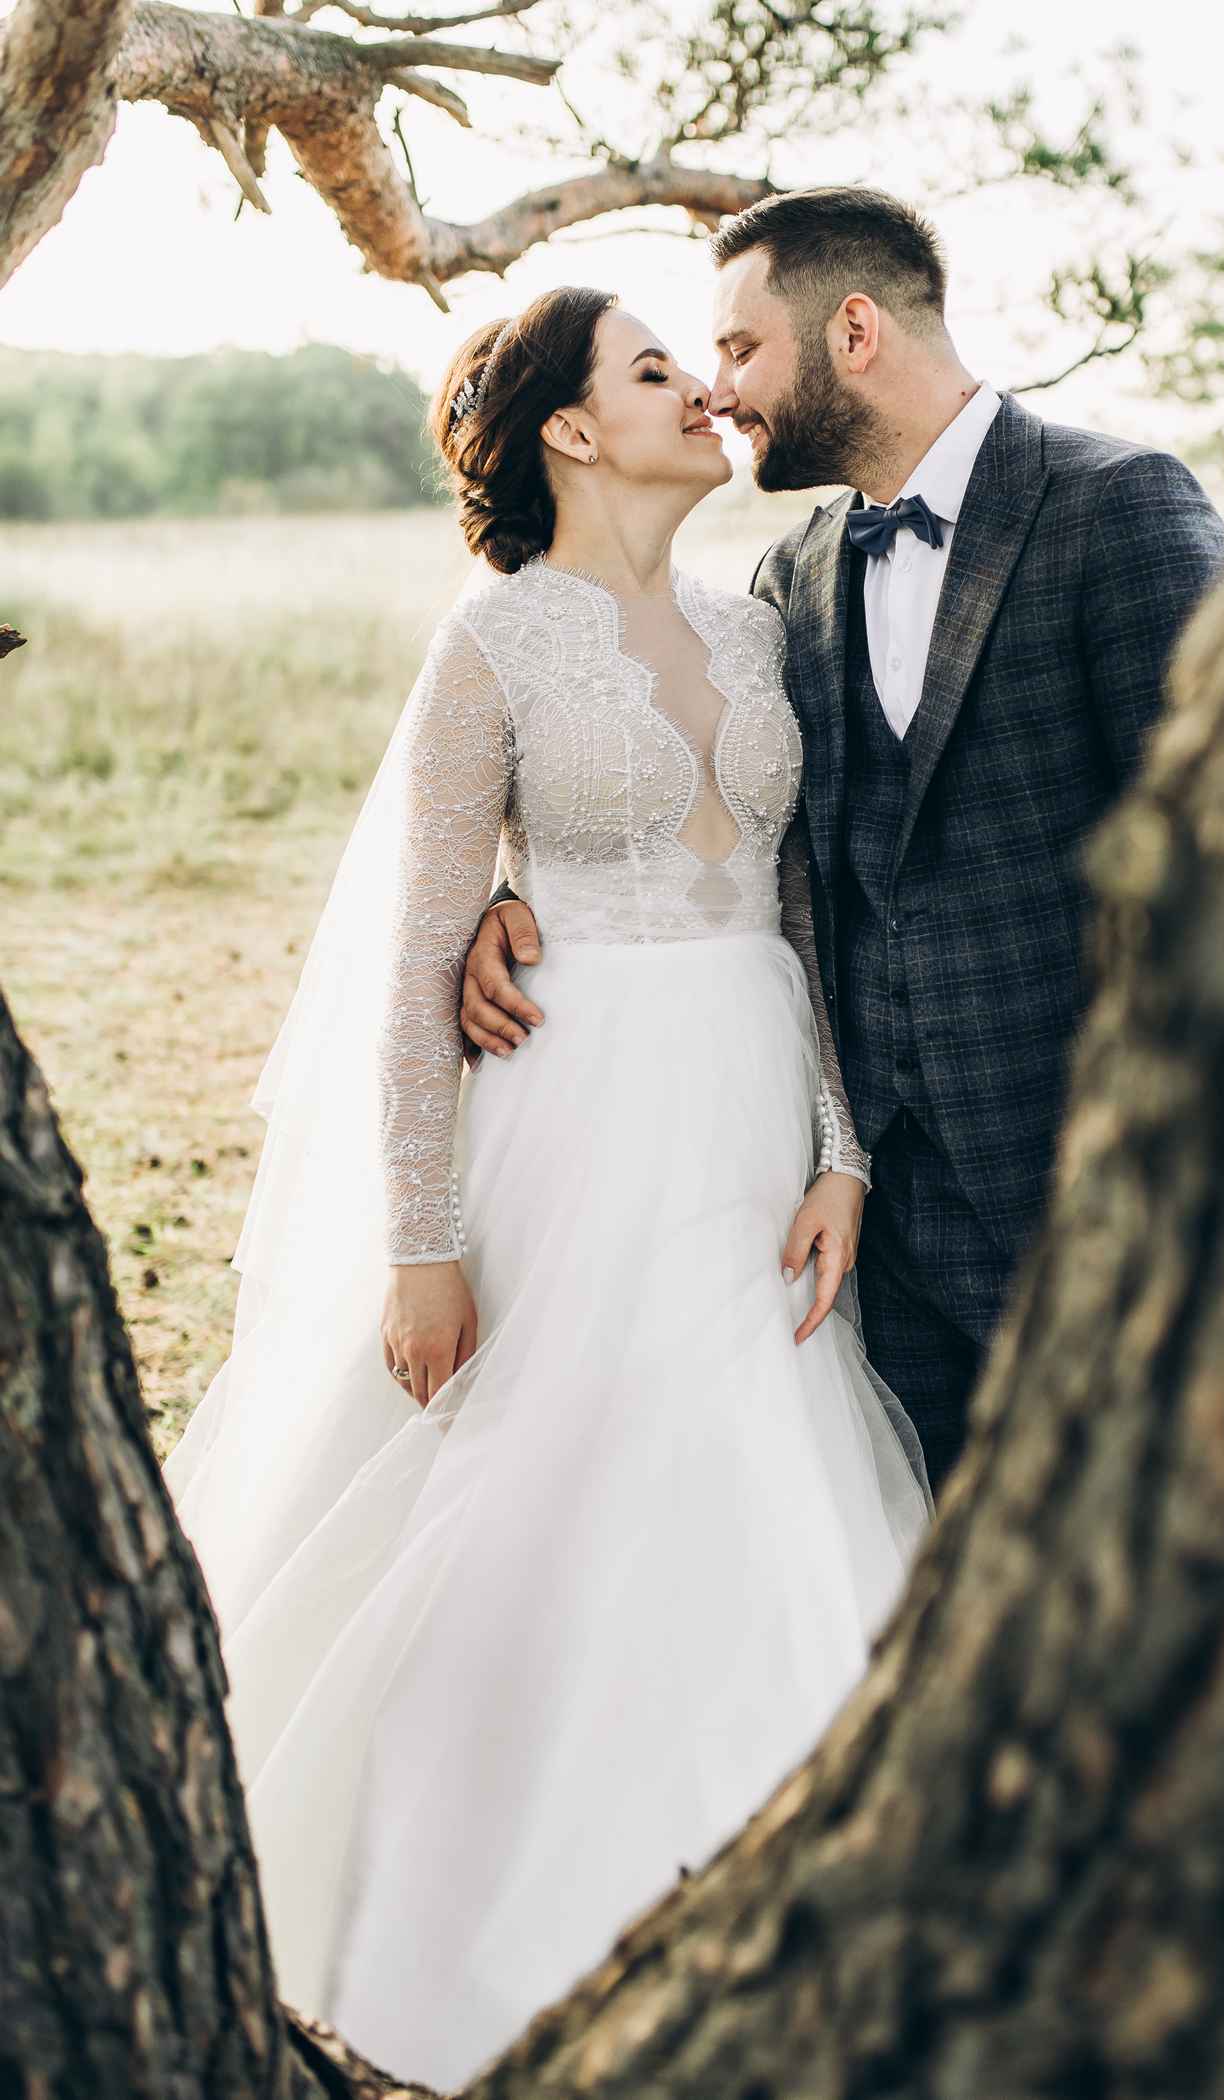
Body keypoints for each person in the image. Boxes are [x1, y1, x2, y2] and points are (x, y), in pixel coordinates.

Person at [162, 284, 930, 2092]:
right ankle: (483, 1937)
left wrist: (840, 1151)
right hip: (574, 1111)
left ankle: (782, 1915)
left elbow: (797, 913)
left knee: (758, 1466)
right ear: (574, 432)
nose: (703, 394)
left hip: (754, 1109)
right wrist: (423, 1243)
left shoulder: (755, 626)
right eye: (659, 371)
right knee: (549, 1484)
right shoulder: (494, 645)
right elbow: (422, 963)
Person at [462, 188, 1224, 1492]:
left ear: (857, 332)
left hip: (1090, 1197)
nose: (718, 392)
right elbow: (721, 814)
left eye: (741, 349)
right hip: (864, 1224)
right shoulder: (793, 581)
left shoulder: (1119, 507)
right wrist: (513, 889)